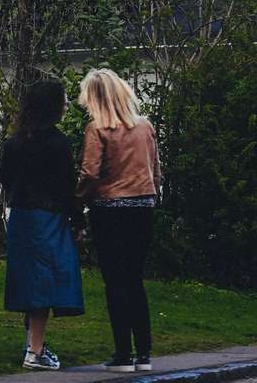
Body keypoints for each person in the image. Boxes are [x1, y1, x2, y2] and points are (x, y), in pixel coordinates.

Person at [77, 68, 162, 374]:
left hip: (110, 208)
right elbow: (155, 168)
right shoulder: (144, 126)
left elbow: (90, 172)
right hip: (143, 205)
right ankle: (145, 353)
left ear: (95, 98)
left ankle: (123, 354)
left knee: (115, 281)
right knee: (135, 279)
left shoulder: (98, 129)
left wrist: (79, 199)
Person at [0, 77, 84, 371]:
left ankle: (32, 342)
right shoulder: (58, 144)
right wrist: (78, 219)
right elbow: (67, 185)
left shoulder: (13, 143)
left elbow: (4, 179)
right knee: (46, 282)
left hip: (21, 216)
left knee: (29, 279)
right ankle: (35, 351)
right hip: (48, 217)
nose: (66, 105)